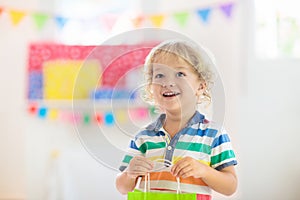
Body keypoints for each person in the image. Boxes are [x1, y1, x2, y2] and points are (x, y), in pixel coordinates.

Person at [115, 40, 237, 199]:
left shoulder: (213, 134)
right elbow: (122, 187)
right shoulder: (144, 136)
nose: (168, 82)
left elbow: (230, 186)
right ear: (151, 88)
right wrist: (130, 174)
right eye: (159, 75)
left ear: (200, 86)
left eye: (180, 74)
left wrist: (203, 170)